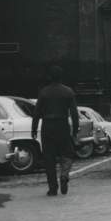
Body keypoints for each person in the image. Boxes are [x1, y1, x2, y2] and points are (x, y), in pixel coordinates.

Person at [32, 65, 80, 196]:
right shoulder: (68, 92)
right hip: (62, 125)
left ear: (49, 77)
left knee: (49, 158)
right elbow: (74, 113)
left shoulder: (44, 92)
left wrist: (34, 129)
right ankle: (64, 174)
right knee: (68, 153)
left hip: (47, 126)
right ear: (61, 77)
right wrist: (75, 130)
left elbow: (36, 113)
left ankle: (53, 188)